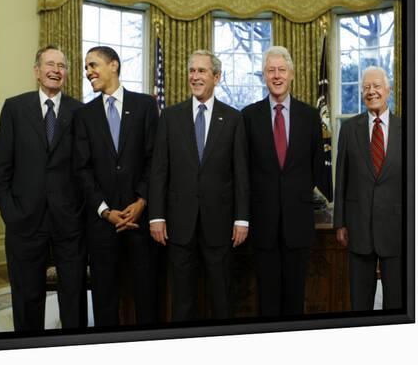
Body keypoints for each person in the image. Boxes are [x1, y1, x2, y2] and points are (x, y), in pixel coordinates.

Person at [149, 50, 249, 322]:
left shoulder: (233, 118)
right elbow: (159, 170)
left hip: (220, 224)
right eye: (192, 71)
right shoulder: (170, 117)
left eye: (202, 71)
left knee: (222, 296)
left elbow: (241, 172)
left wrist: (242, 219)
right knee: (182, 299)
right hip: (179, 224)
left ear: (216, 76)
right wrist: (156, 216)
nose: (195, 76)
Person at [0, 45, 86, 331]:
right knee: (26, 296)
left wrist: (79, 211)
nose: (55, 70)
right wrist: (11, 212)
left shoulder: (80, 112)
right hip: (25, 220)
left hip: (68, 221)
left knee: (73, 296)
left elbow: (85, 168)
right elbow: (1, 168)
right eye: (50, 64)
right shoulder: (14, 108)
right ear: (36, 71)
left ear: (66, 74)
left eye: (61, 66)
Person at [73, 46, 159, 327]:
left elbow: (154, 160)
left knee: (146, 297)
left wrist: (141, 201)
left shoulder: (146, 106)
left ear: (114, 65)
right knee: (104, 299)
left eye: (93, 65)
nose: (88, 72)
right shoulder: (84, 115)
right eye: (86, 68)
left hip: (140, 221)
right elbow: (82, 169)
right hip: (102, 225)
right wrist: (105, 211)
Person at [241, 45, 326, 317]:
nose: (276, 76)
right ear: (264, 76)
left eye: (281, 70)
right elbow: (243, 169)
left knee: (294, 297)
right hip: (263, 222)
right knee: (267, 298)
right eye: (271, 70)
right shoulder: (249, 116)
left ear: (291, 74)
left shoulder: (310, 116)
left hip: (298, 222)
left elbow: (317, 166)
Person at [334, 66, 402, 311]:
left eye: (377, 86)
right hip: (358, 227)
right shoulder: (350, 129)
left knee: (397, 301)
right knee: (360, 302)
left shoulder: (407, 129)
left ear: (388, 90)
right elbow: (341, 177)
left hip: (397, 229)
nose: (371, 92)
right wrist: (339, 222)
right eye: (366, 88)